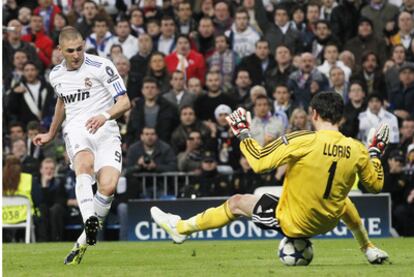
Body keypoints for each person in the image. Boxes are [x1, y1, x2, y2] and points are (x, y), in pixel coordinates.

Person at [151, 92, 390, 264]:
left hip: (294, 221)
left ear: (314, 113)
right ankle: (368, 247)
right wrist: (376, 153)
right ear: (341, 118)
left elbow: (259, 163)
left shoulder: (303, 140)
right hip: (328, 221)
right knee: (344, 200)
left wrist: (243, 133)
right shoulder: (357, 148)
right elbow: (375, 185)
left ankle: (181, 228)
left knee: (236, 202)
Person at [33, 26, 131, 265]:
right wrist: (51, 132)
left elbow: (125, 102)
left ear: (84, 45)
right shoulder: (55, 75)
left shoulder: (102, 66)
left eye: (79, 49)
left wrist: (105, 116)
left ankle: (83, 241)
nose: (76, 54)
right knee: (84, 164)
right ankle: (90, 219)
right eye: (70, 51)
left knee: (108, 187)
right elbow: (61, 104)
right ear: (60, 50)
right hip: (77, 128)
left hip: (106, 130)